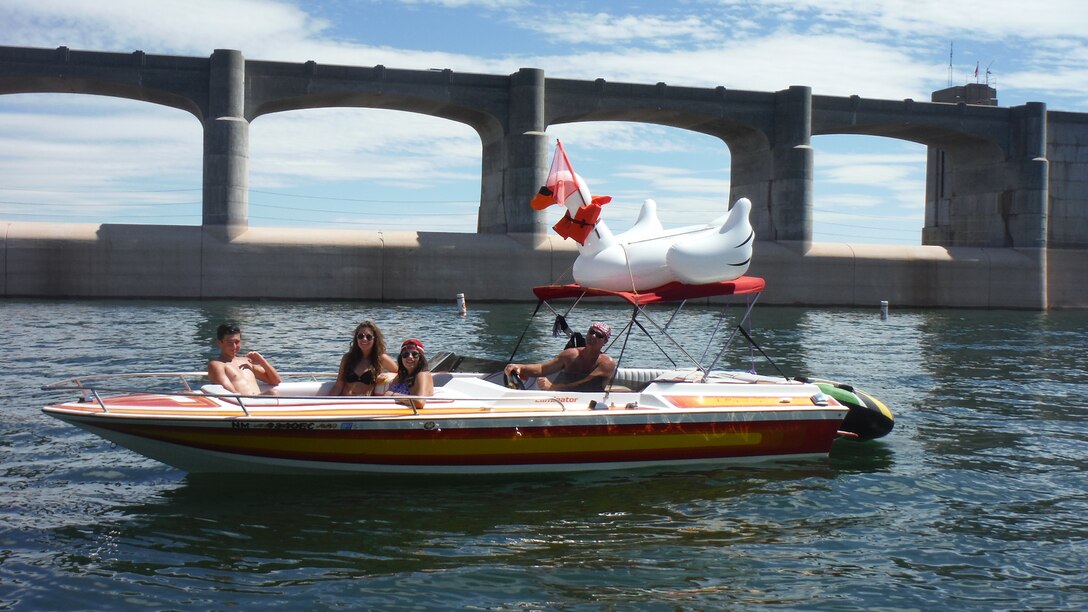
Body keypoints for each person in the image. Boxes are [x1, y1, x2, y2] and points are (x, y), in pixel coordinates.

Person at [504, 321, 617, 392]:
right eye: (591, 331)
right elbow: (543, 368)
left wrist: (553, 387)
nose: (593, 336)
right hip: (561, 399)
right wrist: (520, 367)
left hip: (589, 401)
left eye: (599, 335)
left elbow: (588, 384)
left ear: (605, 341)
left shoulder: (607, 363)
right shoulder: (570, 354)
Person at [207, 322, 281, 395]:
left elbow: (275, 380)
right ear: (220, 342)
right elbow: (229, 391)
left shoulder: (246, 362)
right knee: (273, 392)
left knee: (274, 392)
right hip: (241, 402)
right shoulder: (217, 365)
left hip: (257, 401)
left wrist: (261, 360)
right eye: (229, 342)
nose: (234, 347)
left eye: (237, 342)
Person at [330, 320, 397, 396]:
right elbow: (338, 385)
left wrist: (388, 375)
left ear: (375, 339)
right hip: (345, 401)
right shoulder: (348, 358)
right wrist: (327, 402)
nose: (364, 339)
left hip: (365, 404)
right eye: (360, 336)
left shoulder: (381, 358)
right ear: (356, 338)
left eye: (369, 337)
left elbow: (401, 372)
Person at [381, 338, 435, 410]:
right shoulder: (402, 375)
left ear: (421, 358)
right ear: (401, 358)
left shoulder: (422, 375)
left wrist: (394, 395)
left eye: (414, 354)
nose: (410, 357)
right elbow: (388, 392)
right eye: (405, 354)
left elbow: (420, 402)